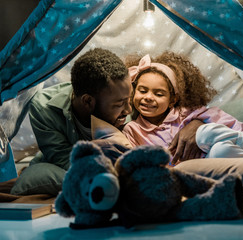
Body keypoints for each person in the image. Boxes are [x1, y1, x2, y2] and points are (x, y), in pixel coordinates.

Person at [10, 48, 202, 196]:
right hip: (72, 163)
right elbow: (62, 160)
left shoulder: (125, 94)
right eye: (120, 104)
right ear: (88, 101)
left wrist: (196, 123)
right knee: (38, 173)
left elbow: (180, 110)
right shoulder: (44, 108)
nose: (129, 109)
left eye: (130, 98)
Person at [122, 52, 243, 165]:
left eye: (158, 93)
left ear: (172, 100)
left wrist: (199, 123)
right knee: (220, 151)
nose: (148, 97)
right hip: (199, 170)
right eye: (142, 90)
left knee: (209, 136)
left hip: (219, 155)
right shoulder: (132, 130)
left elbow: (233, 127)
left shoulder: (187, 113)